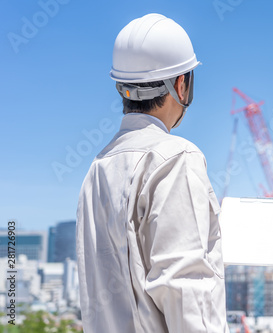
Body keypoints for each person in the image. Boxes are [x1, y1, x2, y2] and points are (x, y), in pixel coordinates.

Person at [76, 13, 228, 333]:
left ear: (122, 87)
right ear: (181, 84)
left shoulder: (97, 167)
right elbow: (188, 297)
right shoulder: (175, 159)